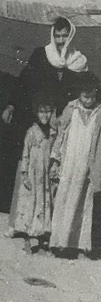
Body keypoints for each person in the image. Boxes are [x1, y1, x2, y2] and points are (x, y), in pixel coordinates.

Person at [3, 16, 88, 236]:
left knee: (53, 171)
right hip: (39, 119)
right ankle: (19, 223)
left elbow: (84, 92)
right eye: (57, 35)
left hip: (61, 125)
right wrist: (11, 105)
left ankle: (47, 226)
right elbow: (23, 81)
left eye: (64, 36)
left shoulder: (79, 61)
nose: (60, 40)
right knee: (30, 168)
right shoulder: (41, 54)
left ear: (70, 36)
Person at [49, 72, 101, 257]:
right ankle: (58, 244)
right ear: (79, 93)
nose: (89, 100)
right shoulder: (70, 109)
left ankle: (80, 246)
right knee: (64, 201)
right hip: (69, 164)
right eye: (85, 96)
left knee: (84, 204)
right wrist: (55, 159)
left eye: (92, 96)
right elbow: (60, 135)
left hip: (87, 167)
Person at [12, 93, 57, 255]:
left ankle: (43, 241)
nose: (45, 116)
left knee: (45, 205)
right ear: (35, 113)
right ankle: (27, 240)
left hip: (45, 177)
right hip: (32, 174)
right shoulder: (31, 132)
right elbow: (25, 154)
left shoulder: (53, 132)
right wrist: (24, 175)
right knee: (30, 206)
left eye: (48, 112)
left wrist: (54, 167)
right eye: (41, 112)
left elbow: (55, 152)